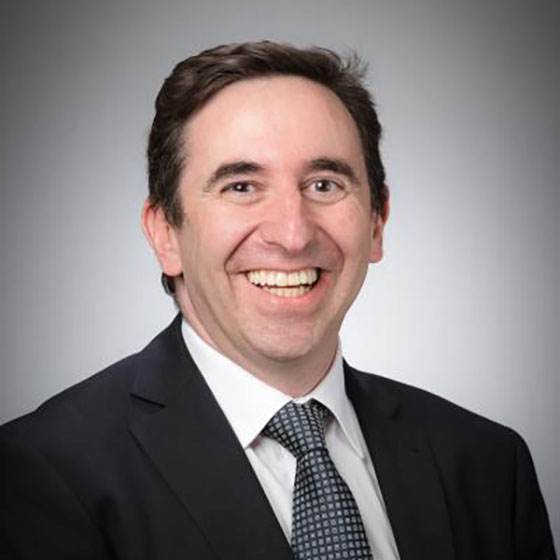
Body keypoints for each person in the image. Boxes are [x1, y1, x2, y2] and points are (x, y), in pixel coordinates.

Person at [0, 41, 556, 560]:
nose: (293, 235)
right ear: (165, 233)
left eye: (324, 185)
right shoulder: (41, 472)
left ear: (377, 222)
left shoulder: (487, 464)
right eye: (241, 186)